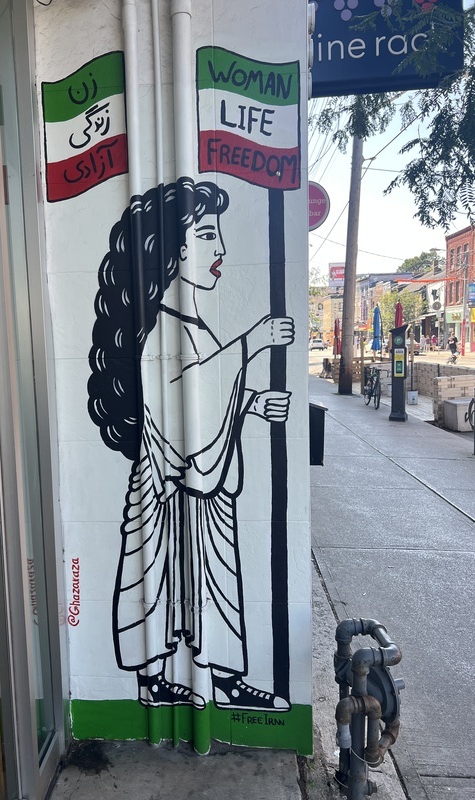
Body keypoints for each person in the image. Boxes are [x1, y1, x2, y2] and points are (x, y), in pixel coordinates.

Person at [88, 178, 294, 712]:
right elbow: (182, 394)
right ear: (174, 253)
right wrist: (252, 342)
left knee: (212, 576)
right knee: (156, 578)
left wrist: (248, 404)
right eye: (207, 236)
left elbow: (200, 398)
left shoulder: (191, 324)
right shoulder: (161, 330)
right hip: (166, 487)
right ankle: (154, 680)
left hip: (198, 485)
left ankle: (222, 674)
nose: (221, 250)